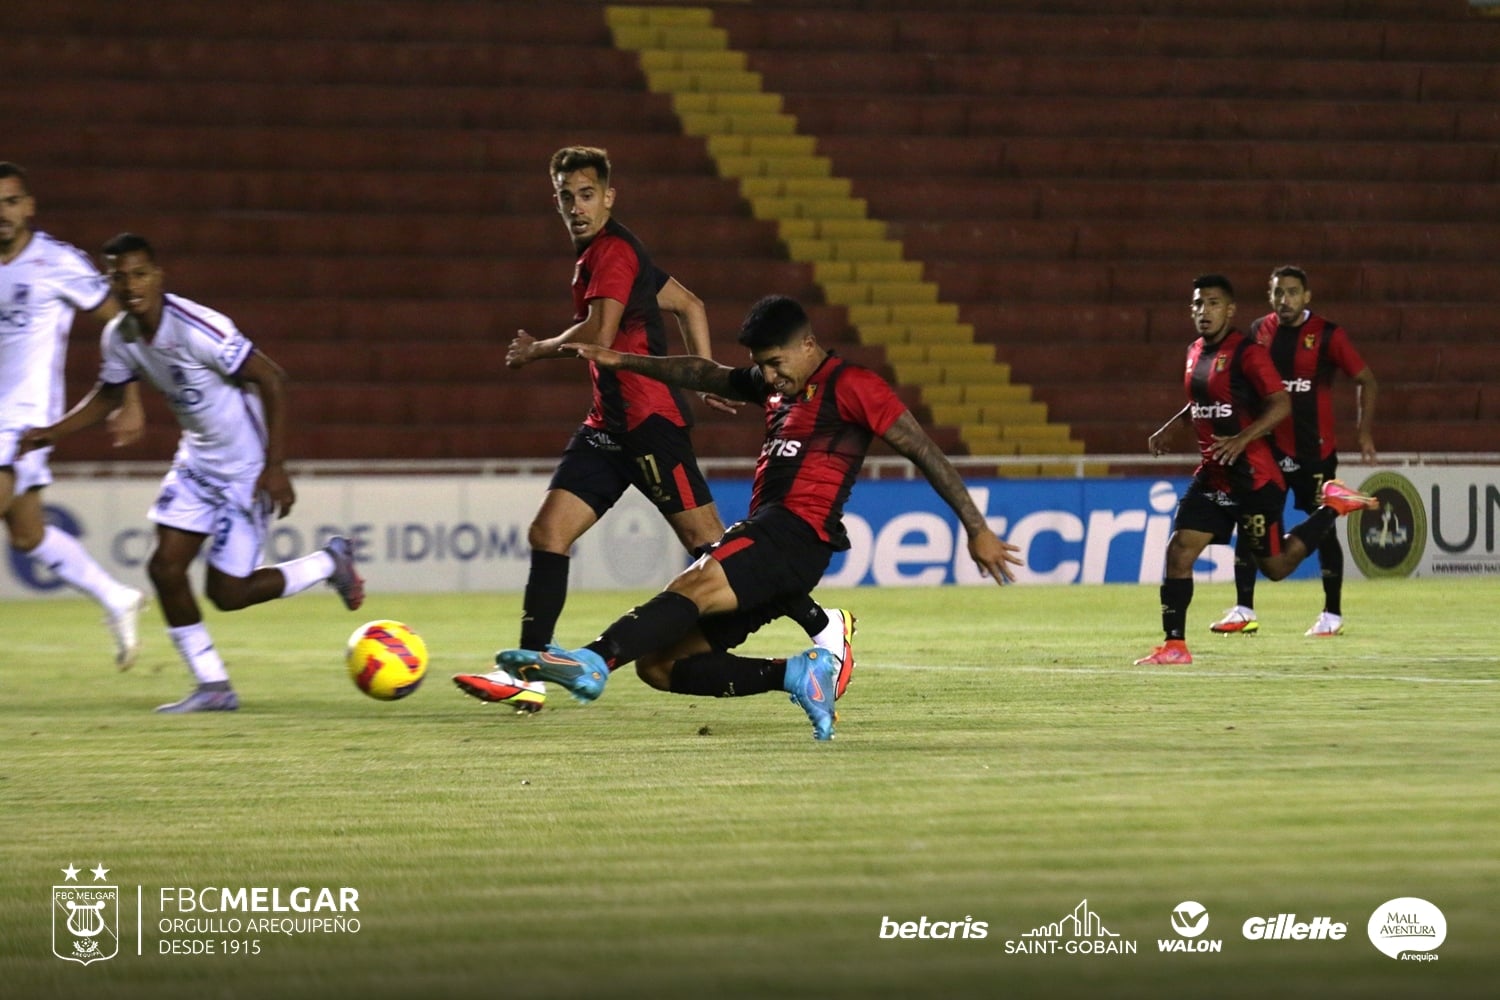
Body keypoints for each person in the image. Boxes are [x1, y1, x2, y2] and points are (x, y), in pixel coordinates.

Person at [457, 295, 1022, 740]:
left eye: (776, 364)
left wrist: (976, 529)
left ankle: (591, 661)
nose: (769, 378)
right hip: (771, 543)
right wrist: (623, 360)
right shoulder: (775, 386)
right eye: (762, 367)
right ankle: (796, 675)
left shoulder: (854, 387)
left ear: (807, 346)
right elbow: (703, 373)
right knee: (661, 666)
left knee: (696, 580)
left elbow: (924, 449)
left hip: (797, 534)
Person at [486, 146, 851, 710]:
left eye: (586, 195)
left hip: (649, 425)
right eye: (566, 198)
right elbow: (690, 303)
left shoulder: (613, 254)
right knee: (548, 535)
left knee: (711, 547)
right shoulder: (613, 255)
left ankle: (821, 623)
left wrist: (538, 350)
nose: (576, 207)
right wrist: (704, 373)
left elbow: (601, 332)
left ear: (609, 196)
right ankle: (528, 674)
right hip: (608, 427)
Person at [19, 233, 366, 713]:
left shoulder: (198, 328)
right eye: (117, 276)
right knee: (163, 568)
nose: (129, 284)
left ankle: (329, 563)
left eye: (139, 274)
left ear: (158, 276)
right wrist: (49, 432)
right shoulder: (119, 336)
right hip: (197, 461)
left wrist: (275, 466)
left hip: (246, 468)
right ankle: (212, 685)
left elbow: (271, 377)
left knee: (228, 593)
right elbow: (109, 394)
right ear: (109, 281)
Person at [1136, 275, 1379, 666]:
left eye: (1213, 304)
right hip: (1214, 476)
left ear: (1230, 310)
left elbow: (1280, 403)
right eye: (1198, 304)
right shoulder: (1194, 352)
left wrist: (1243, 439)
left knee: (1277, 566)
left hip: (1253, 479)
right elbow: (1200, 405)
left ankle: (1333, 505)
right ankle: (1175, 645)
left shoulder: (1247, 353)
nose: (1204, 311)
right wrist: (1173, 426)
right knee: (1179, 552)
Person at [0, 160, 148, 667]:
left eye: (11, 201)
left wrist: (126, 397)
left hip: (22, 423)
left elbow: (120, 325)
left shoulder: (56, 262)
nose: (3, 213)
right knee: (27, 535)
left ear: (29, 207)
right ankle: (117, 596)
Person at [1209, 266, 1378, 638]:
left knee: (1323, 529)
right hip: (1266, 448)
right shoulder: (1258, 331)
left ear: (1307, 296)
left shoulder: (1328, 335)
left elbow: (1366, 379)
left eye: (1291, 292)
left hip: (1314, 452)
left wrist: (1364, 434)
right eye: (1277, 293)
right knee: (1250, 522)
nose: (1284, 300)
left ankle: (1332, 613)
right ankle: (1243, 609)